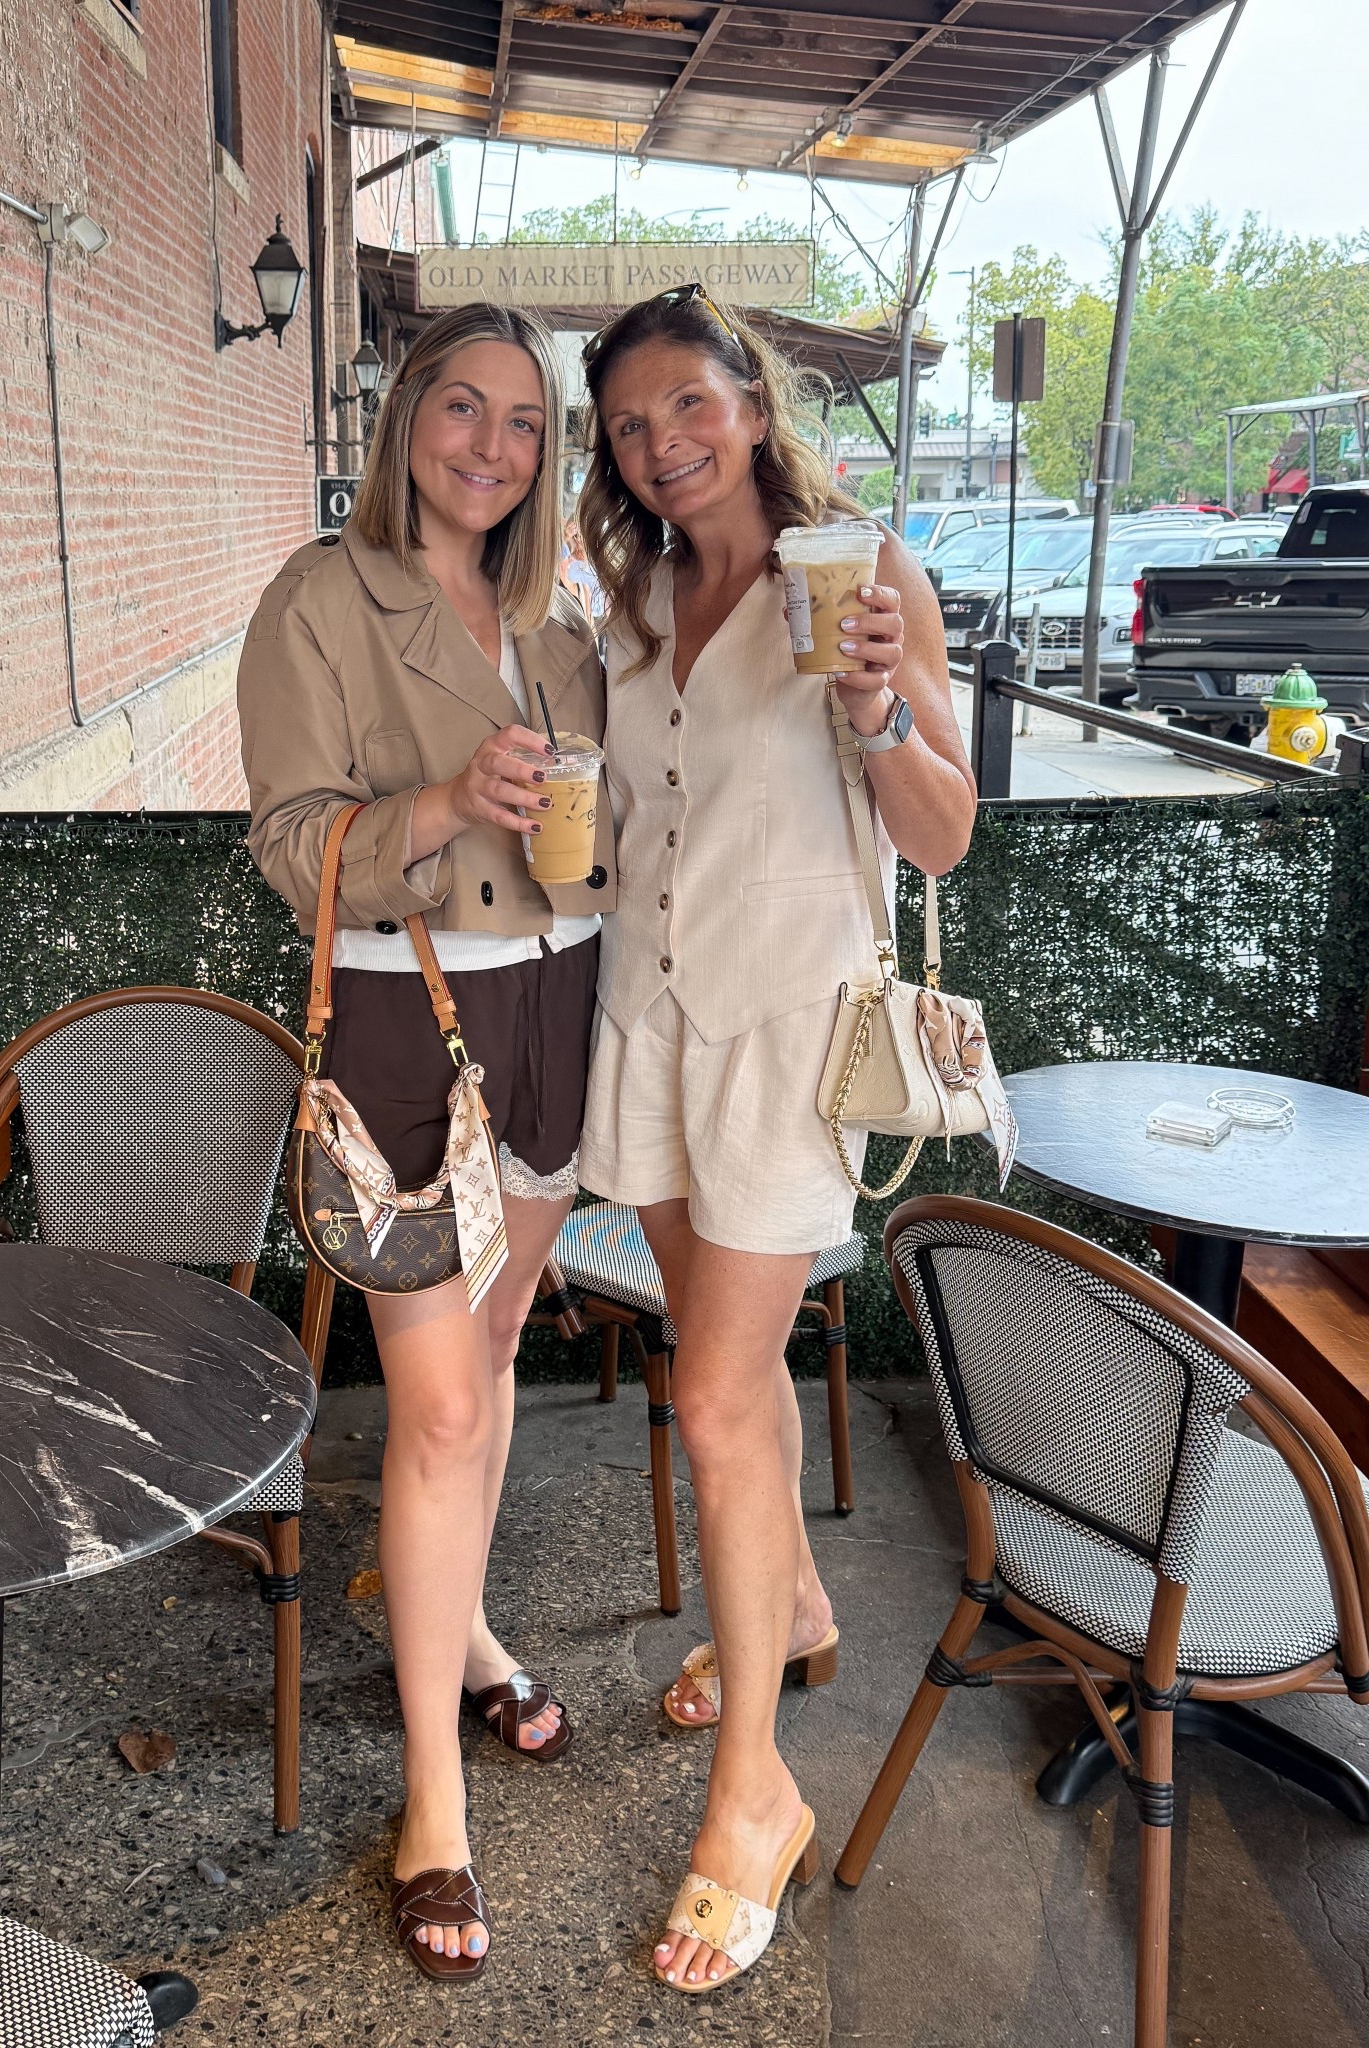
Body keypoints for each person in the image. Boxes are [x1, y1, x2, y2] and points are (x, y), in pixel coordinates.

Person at [576, 285, 975, 1992]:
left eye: (688, 406)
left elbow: (945, 840)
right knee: (705, 1363)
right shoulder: (640, 597)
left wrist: (880, 710)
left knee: (723, 1398)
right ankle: (792, 1617)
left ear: (752, 398)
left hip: (778, 1039)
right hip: (645, 1028)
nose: (662, 446)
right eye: (628, 426)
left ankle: (758, 1794)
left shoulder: (865, 577)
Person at [238, 303, 615, 1985]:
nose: (489, 445)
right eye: (461, 408)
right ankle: (434, 1809)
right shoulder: (321, 600)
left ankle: (458, 1628)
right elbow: (288, 841)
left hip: (557, 1005)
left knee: (501, 1346)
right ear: (405, 420)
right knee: (441, 1404)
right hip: (408, 1021)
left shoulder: (551, 618)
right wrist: (450, 805)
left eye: (525, 422)